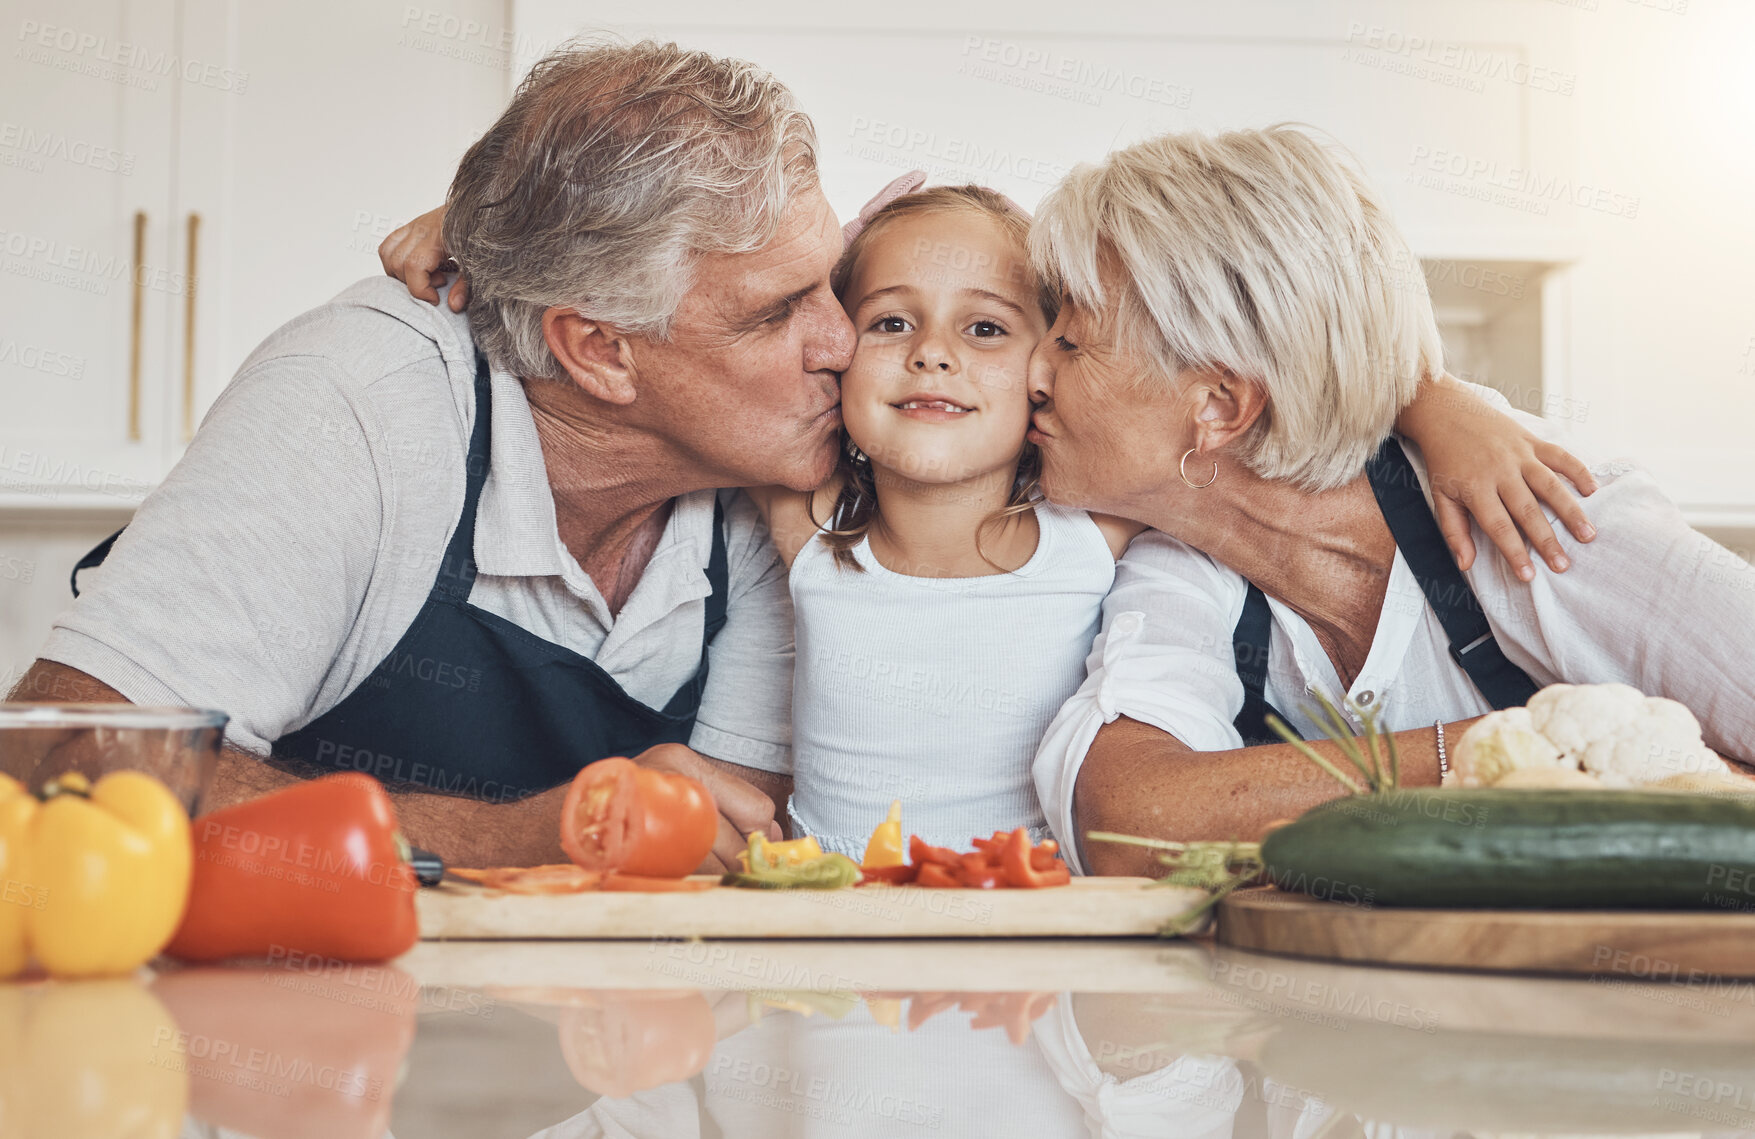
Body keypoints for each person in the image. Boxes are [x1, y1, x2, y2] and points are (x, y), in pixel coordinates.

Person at [386, 172, 1598, 861]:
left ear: (1048, 372)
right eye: (889, 321)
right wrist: (498, 248)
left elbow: (1283, 362)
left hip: (1036, 928)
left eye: (984, 327)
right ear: (832, 352)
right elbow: (702, 301)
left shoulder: (1103, 530)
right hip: (831, 929)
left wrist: (1439, 398)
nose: (931, 358)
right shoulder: (800, 520)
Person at [9, 40, 854, 868]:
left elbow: (736, 854)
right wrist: (521, 836)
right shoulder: (357, 401)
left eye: (838, 285)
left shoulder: (766, 485)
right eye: (779, 312)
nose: (844, 342)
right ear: (598, 349)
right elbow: (65, 765)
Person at [1021, 126, 1755, 874]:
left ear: (1218, 403)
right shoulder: (1181, 559)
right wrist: (1502, 749)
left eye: (1071, 344)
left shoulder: (1540, 513)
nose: (1032, 374)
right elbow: (1128, 821)